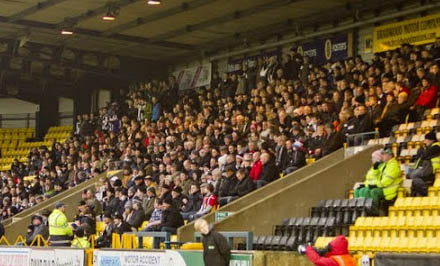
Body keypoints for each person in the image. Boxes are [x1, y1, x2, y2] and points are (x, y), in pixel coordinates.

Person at [408, 131, 440, 196]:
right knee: (413, 180)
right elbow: (421, 156)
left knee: (413, 176)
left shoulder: (436, 147)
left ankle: (426, 190)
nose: (425, 142)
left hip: (432, 169)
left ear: (431, 140)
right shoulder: (429, 147)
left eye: (426, 140)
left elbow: (424, 155)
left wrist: (421, 150)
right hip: (427, 168)